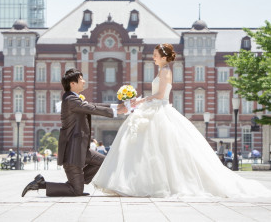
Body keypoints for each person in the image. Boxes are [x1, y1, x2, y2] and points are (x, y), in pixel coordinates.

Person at [92, 43, 271, 198]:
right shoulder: (162, 70)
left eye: (155, 55)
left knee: (157, 147)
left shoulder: (165, 71)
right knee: (147, 147)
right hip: (155, 108)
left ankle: (147, 183)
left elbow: (161, 95)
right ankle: (136, 182)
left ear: (163, 57)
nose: (153, 57)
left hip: (159, 109)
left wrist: (140, 100)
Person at [22, 68, 126, 197]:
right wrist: (117, 112)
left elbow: (93, 105)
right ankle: (41, 184)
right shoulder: (70, 100)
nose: (84, 81)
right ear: (72, 83)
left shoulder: (74, 99)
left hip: (81, 150)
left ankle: (77, 182)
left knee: (104, 162)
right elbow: (90, 108)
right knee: (76, 191)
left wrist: (118, 107)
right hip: (72, 153)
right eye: (81, 79)